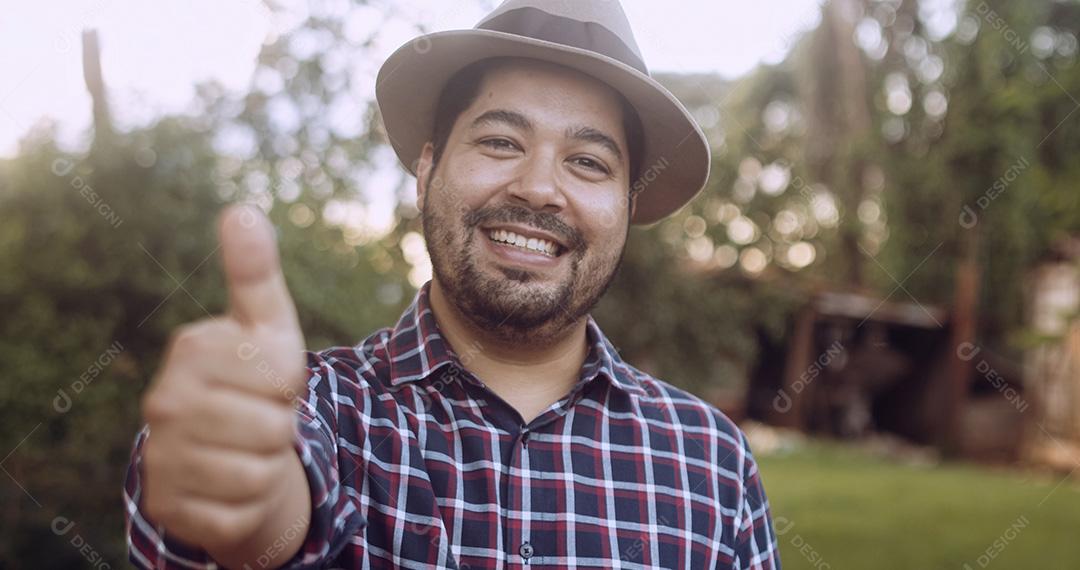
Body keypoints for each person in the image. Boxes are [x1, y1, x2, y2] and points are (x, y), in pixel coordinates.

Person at [123, 1, 782, 568]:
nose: (538, 188)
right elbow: (276, 501)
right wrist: (253, 504)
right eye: (500, 142)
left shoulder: (712, 463)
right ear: (427, 169)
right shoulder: (325, 413)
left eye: (587, 161)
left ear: (627, 208)